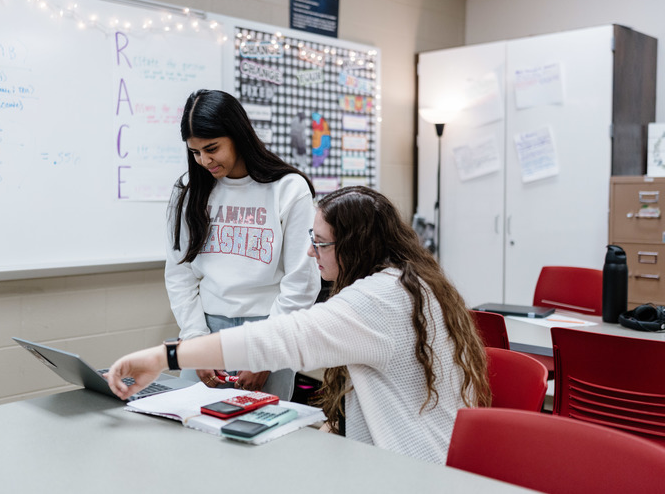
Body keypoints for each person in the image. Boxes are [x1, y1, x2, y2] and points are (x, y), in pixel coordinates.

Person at [108, 186, 491, 464]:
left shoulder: (379, 300)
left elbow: (277, 339)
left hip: (410, 469)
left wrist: (165, 357)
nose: (310, 252)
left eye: (320, 242)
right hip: (403, 457)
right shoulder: (408, 281)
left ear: (355, 247)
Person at [164, 89, 321, 400]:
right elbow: (180, 274)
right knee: (192, 433)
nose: (204, 161)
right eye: (195, 152)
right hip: (206, 328)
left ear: (238, 135)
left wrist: (267, 352)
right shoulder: (188, 190)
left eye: (212, 148)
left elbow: (301, 279)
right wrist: (195, 340)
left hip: (269, 327)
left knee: (261, 436)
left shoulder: (288, 189)